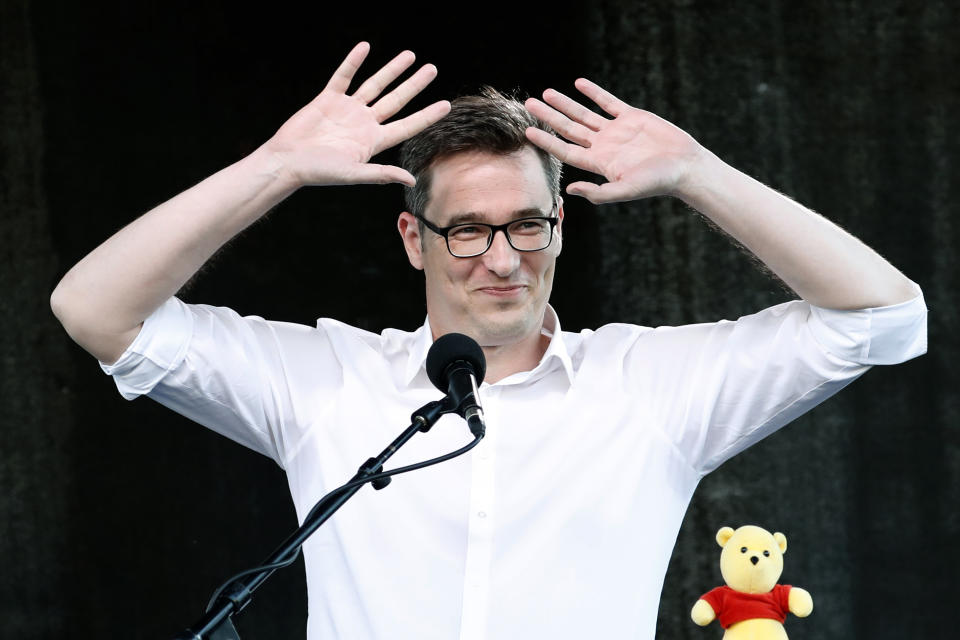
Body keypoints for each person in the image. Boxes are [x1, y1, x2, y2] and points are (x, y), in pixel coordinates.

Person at [51, 42, 926, 640]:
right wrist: (274, 167)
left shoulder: (652, 387)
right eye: (467, 229)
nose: (502, 259)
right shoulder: (328, 383)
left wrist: (699, 173)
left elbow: (883, 316)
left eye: (527, 225)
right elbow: (95, 309)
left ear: (559, 227)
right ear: (412, 238)